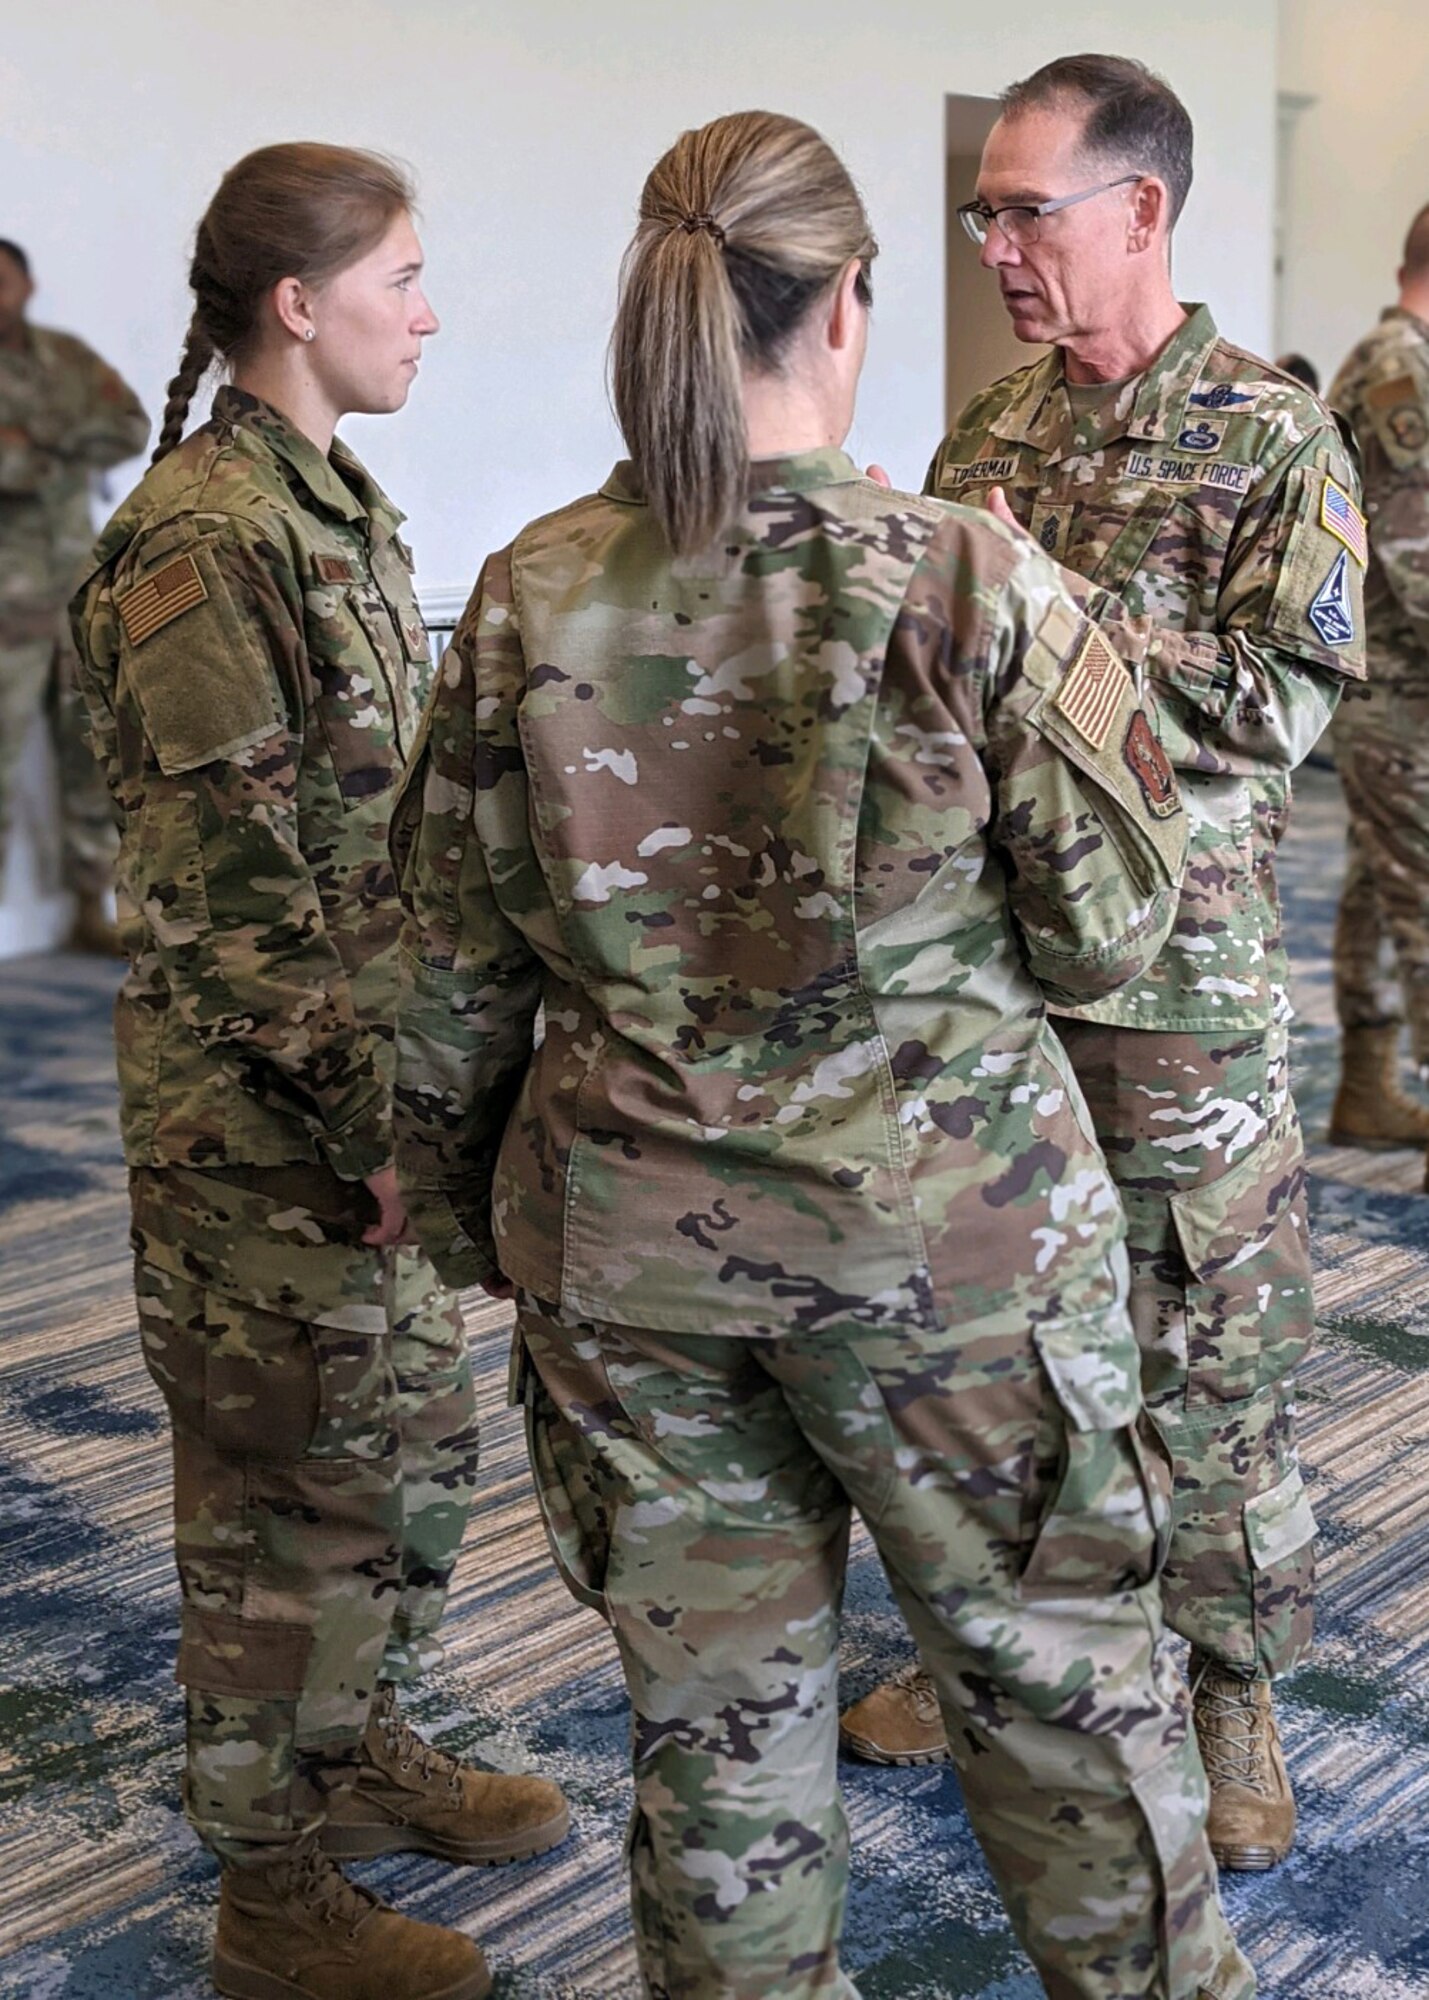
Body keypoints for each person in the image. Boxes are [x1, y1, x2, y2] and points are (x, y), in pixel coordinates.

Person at [392, 106, 1255, 2000]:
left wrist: (473, 1227)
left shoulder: (529, 590)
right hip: (945, 1270)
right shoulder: (968, 580)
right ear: (848, 307)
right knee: (1065, 1721)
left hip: (626, 1269)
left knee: (716, 1755)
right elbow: (1115, 934)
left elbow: (449, 975)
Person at [841, 53, 1366, 1875]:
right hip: (992, 988)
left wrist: (1042, 623)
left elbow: (1270, 708)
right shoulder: (981, 448)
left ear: (1136, 209)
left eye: (1023, 208)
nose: (992, 243)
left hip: (1179, 1002)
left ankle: (1225, 1681)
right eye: (979, 212)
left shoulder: (1272, 438)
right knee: (984, 1340)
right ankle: (983, 1646)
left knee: (1206, 1347)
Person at [69, 143, 567, 2000]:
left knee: (397, 1465)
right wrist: (373, 1132)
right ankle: (268, 1896)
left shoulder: (328, 503)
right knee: (278, 1504)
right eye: (402, 278)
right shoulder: (206, 538)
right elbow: (229, 902)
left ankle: (350, 1754)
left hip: (353, 1099)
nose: (428, 313)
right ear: (300, 301)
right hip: (258, 1130)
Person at [0, 237, 147, 949]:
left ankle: (94, 907)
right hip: (3, 610)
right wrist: (34, 455)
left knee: (90, 757)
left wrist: (40, 439)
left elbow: (129, 425)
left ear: (27, 286)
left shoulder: (66, 360)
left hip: (72, 597)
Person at [1326, 204, 1429, 1153]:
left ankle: (1364, 1084)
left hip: (1392, 689)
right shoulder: (1400, 368)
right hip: (1400, 688)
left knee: (1380, 881)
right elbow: (1410, 547)